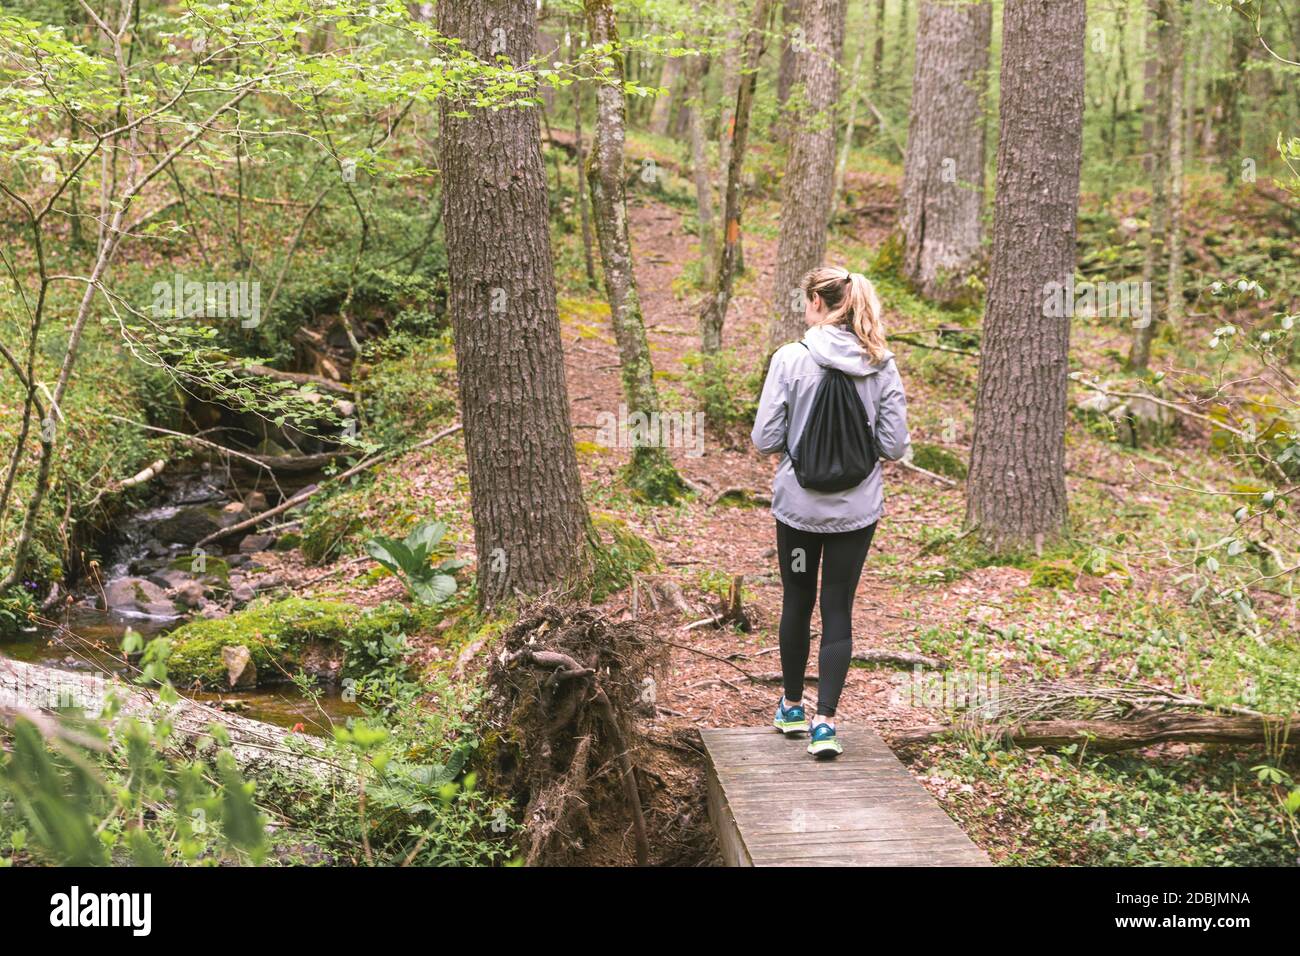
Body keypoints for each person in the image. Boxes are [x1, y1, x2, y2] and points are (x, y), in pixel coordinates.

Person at [751, 267, 910, 757]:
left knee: (797, 600)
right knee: (838, 606)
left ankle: (792, 707)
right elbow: (894, 444)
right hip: (855, 514)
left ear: (819, 302)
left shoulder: (790, 359)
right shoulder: (881, 364)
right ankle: (826, 724)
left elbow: (765, 439)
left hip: (799, 513)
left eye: (806, 302)